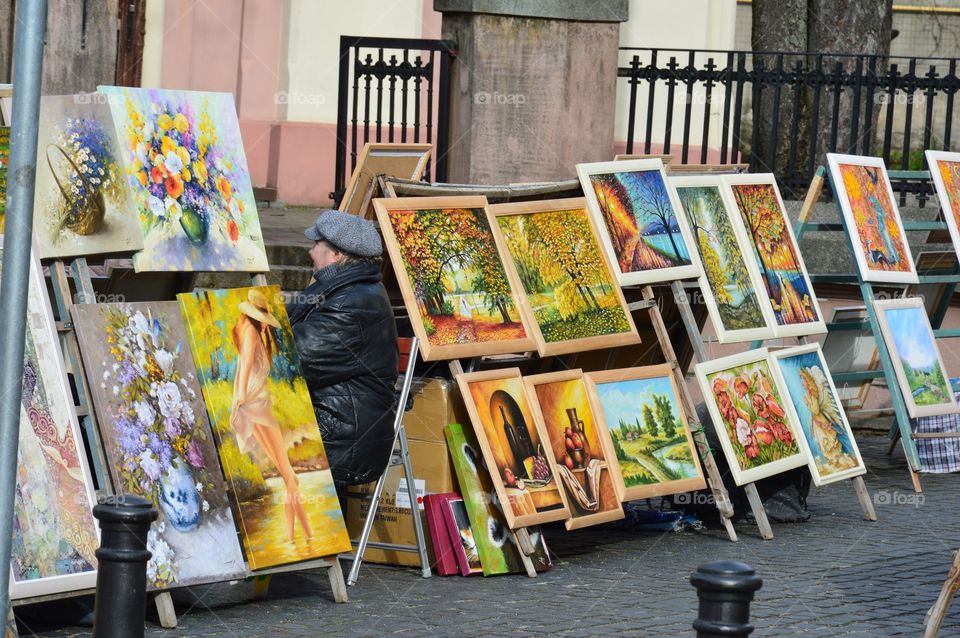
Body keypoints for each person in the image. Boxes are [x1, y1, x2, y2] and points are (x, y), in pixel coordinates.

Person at [287, 210, 399, 507]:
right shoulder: (347, 290)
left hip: (341, 434)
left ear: (335, 254)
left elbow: (293, 360)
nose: (311, 252)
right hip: (339, 422)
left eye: (317, 245)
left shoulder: (354, 303)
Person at [232, 289, 313, 543]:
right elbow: (245, 367)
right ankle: (298, 538)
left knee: (290, 477)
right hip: (257, 407)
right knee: (290, 476)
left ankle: (301, 537)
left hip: (254, 407)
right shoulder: (253, 334)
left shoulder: (246, 330)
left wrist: (241, 401)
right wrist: (242, 398)